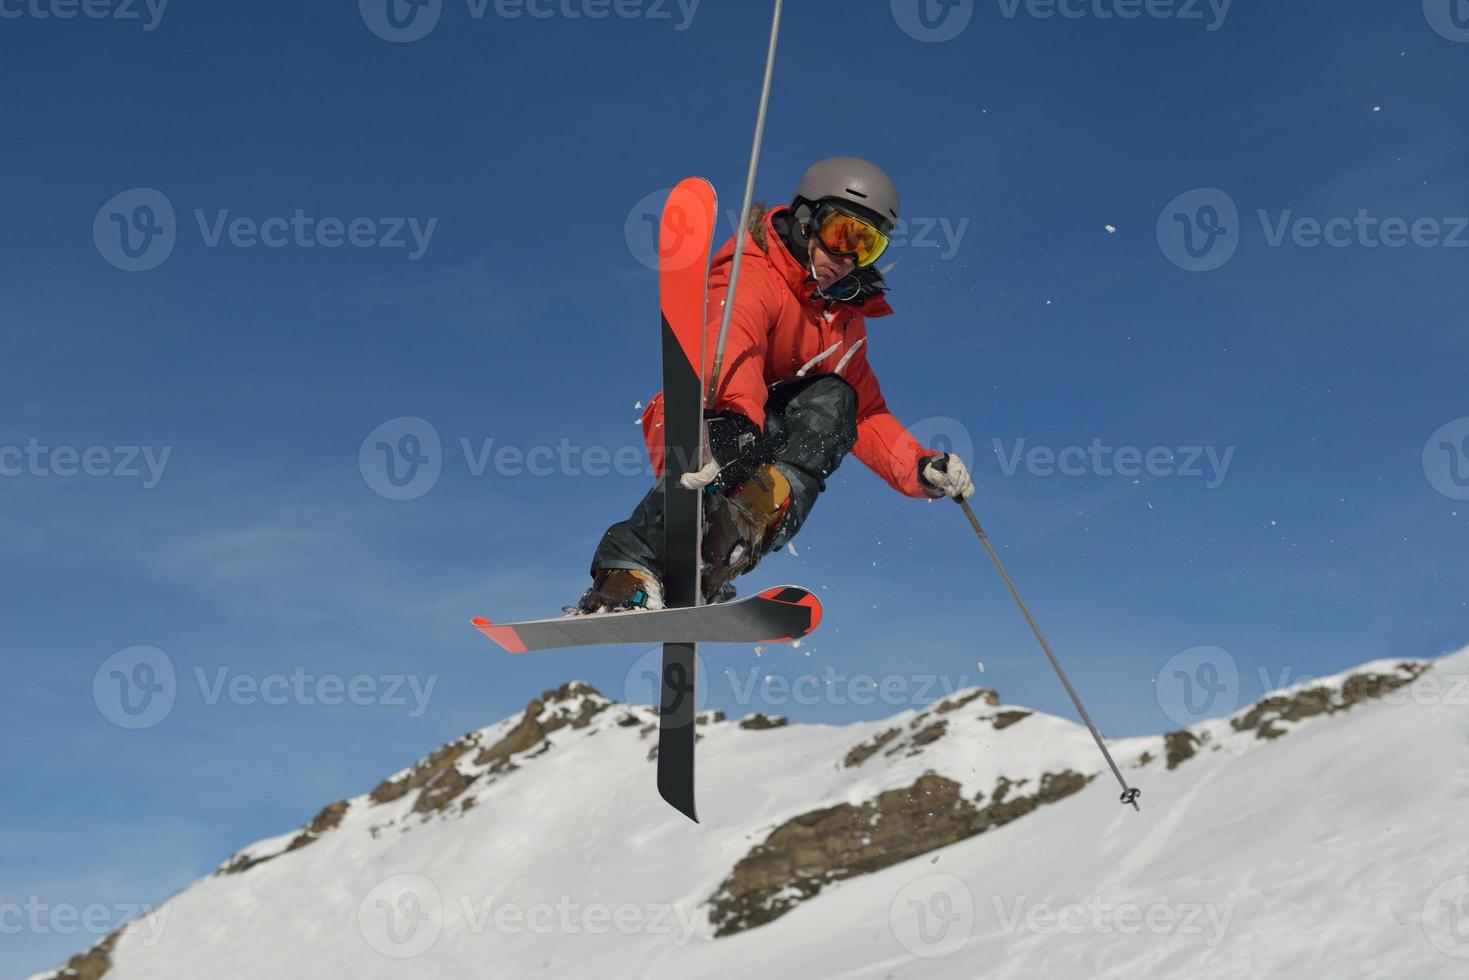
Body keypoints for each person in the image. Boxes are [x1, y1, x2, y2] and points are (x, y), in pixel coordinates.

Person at [570, 157, 975, 614]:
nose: (847, 258)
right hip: (703, 421)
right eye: (842, 233)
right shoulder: (755, 269)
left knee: (837, 400)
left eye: (867, 245)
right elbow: (730, 333)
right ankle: (626, 570)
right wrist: (738, 415)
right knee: (759, 434)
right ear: (806, 221)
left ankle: (724, 550)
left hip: (760, 444)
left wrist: (919, 465)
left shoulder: (844, 325)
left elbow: (864, 414)